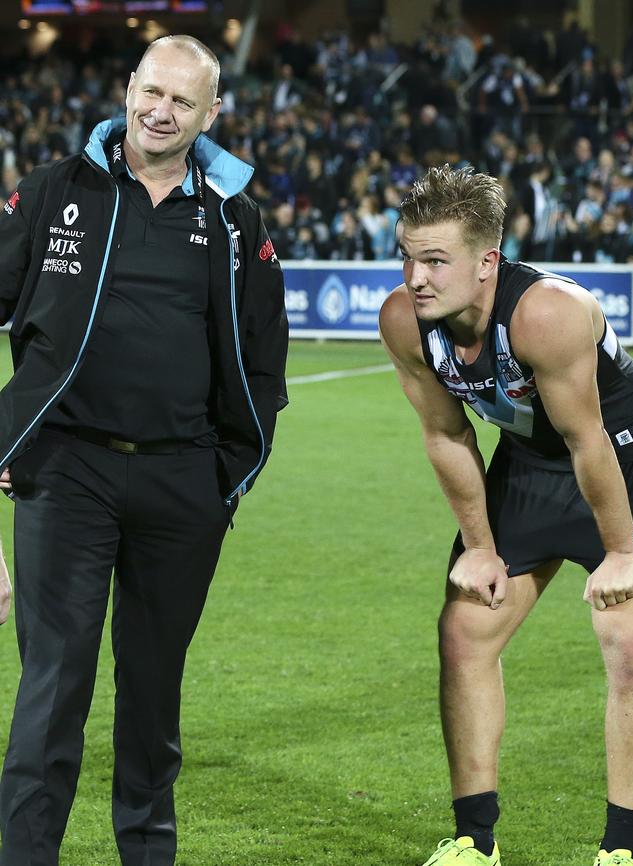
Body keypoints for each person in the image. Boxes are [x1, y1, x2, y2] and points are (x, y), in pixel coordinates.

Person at [0, 34, 288, 866]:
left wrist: (223, 481)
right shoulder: (54, 192)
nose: (159, 112)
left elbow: (264, 358)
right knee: (52, 689)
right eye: (150, 92)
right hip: (67, 474)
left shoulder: (235, 219)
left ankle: (147, 853)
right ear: (128, 87)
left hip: (182, 483)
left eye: (182, 102)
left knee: (155, 694)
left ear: (212, 114)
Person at [379, 164, 633, 866]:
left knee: (629, 648)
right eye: (407, 255)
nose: (416, 276)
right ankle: (474, 842)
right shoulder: (404, 321)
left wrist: (622, 551)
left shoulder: (546, 313)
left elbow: (589, 440)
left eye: (436, 260)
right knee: (465, 630)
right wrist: (478, 545)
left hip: (624, 461)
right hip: (527, 466)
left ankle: (619, 851)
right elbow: (446, 434)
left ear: (487, 262)